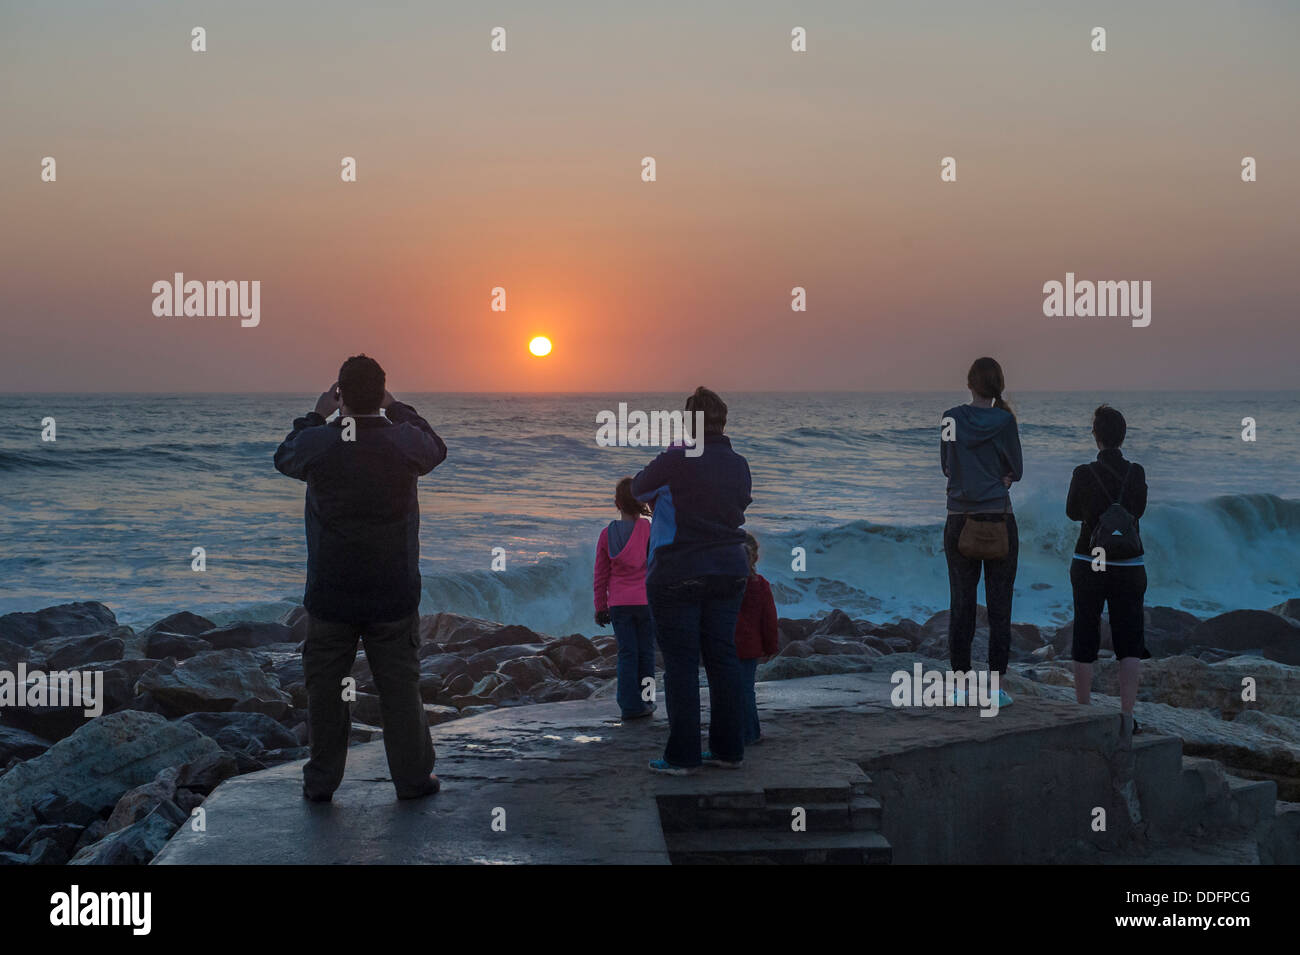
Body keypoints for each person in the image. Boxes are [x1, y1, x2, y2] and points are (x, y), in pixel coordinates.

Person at [273, 354, 447, 802]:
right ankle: (411, 781)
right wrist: (398, 408)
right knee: (400, 689)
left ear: (340, 395)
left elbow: (283, 456)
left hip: (332, 592)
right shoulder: (402, 440)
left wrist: (316, 413)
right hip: (393, 589)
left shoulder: (320, 442)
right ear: (381, 392)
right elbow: (436, 447)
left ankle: (321, 782)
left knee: (326, 691)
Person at [632, 387, 752, 775]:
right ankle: (728, 750)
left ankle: (682, 756)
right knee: (723, 659)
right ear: (724, 421)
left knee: (682, 665)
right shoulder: (739, 463)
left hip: (678, 571)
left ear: (689, 422)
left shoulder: (676, 458)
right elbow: (739, 505)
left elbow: (637, 489)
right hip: (730, 568)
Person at [940, 357, 1022, 706]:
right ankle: (996, 689)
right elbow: (1016, 468)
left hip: (960, 518)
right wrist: (1001, 476)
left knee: (962, 604)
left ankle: (959, 687)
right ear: (998, 385)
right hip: (999, 518)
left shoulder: (949, 418)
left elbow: (946, 466)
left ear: (969, 382)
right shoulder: (1006, 421)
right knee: (1000, 605)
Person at [1066, 404, 1148, 736]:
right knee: (1130, 640)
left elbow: (1072, 512)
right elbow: (1139, 510)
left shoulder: (1084, 473)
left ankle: (1084, 712)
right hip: (1129, 563)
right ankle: (1127, 716)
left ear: (1096, 436)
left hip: (1090, 559)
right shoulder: (1137, 473)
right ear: (1123, 436)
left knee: (1085, 632)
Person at [593, 477, 656, 721]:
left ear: (616, 503)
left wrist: (600, 606)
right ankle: (647, 701)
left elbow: (601, 575)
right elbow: (657, 565)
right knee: (647, 654)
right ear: (640, 501)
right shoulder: (649, 529)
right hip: (646, 602)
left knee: (627, 654)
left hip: (619, 604)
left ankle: (629, 706)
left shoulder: (606, 534)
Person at [733, 533, 778, 745]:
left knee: (728, 691)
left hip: (727, 646)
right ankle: (751, 733)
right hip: (750, 648)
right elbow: (769, 620)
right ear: (755, 558)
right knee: (747, 691)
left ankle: (733, 733)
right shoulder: (760, 585)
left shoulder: (726, 584)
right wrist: (770, 647)